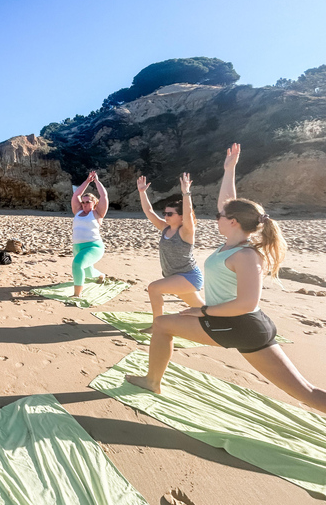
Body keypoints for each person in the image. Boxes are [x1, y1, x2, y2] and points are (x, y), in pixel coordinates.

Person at [126, 144, 326, 414]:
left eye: (221, 216)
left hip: (239, 325)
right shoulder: (233, 243)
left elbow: (246, 303)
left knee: (162, 325)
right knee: (306, 391)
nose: (216, 216)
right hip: (243, 325)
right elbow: (228, 203)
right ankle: (152, 380)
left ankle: (152, 381)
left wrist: (203, 310)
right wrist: (229, 170)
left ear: (232, 222)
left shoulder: (246, 255)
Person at [137, 173, 204, 331]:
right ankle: (223, 319)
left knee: (154, 288)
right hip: (173, 276)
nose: (165, 216)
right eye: (165, 213)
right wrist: (142, 192)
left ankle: (157, 325)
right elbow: (149, 211)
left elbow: (188, 214)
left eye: (170, 214)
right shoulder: (165, 228)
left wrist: (186, 193)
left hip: (188, 276)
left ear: (180, 217)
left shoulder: (186, 231)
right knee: (203, 310)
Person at [70, 171, 109, 297]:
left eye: (88, 202)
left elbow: (104, 196)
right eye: (83, 202)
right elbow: (76, 194)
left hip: (93, 247)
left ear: (94, 203)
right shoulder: (77, 211)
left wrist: (96, 181)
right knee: (87, 272)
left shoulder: (98, 213)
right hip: (77, 247)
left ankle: (77, 294)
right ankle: (101, 275)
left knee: (77, 265)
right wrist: (87, 181)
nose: (85, 204)